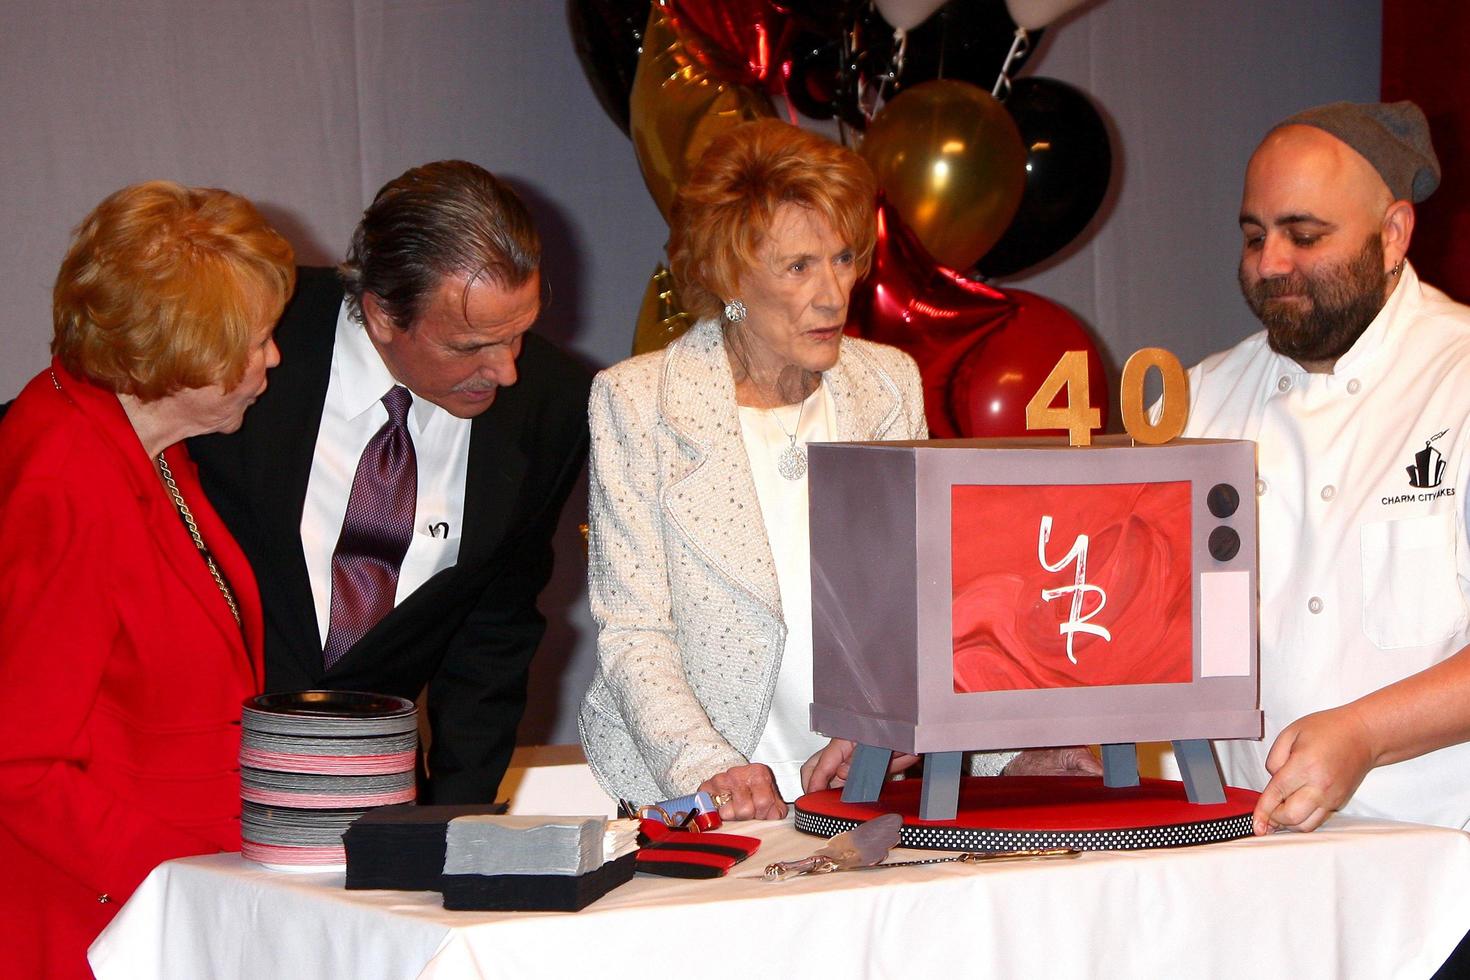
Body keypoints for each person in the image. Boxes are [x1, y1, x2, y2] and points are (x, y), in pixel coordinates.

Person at [578, 119, 1009, 820]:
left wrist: (888, 729)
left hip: (862, 788)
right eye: (799, 266)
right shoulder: (637, 401)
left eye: (843, 258)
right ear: (728, 274)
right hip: (696, 788)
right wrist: (711, 768)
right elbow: (635, 631)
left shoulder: (888, 384)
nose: (834, 293)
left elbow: (927, 600)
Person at [190, 161, 591, 806]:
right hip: (191, 775)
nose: (506, 370)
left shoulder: (552, 403)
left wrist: (451, 824)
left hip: (379, 793)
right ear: (380, 313)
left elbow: (494, 636)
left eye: (518, 334)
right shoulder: (256, 336)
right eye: (470, 345)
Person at [0, 181, 294, 979]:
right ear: (180, 351)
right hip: (88, 925)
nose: (273, 356)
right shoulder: (67, 480)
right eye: (257, 337)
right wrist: (186, 879)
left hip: (157, 906)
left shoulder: (148, 444)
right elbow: (18, 764)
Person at [1180, 100, 1470, 839]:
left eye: (1304, 235)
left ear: (1394, 233)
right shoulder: (1201, 398)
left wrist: (1365, 732)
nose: (1271, 264)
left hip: (1441, 862)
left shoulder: (1459, 376)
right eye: (1254, 236)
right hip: (1242, 853)